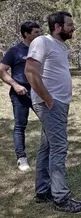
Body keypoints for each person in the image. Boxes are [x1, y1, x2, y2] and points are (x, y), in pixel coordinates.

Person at [25, 11, 81, 213]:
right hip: (50, 105)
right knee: (59, 147)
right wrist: (48, 99)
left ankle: (43, 190)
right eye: (70, 24)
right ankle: (61, 198)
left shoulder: (59, 46)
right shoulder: (42, 42)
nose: (73, 27)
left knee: (47, 147)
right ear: (58, 26)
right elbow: (30, 71)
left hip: (57, 104)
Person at [0, 21, 41, 171]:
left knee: (48, 121)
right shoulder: (15, 51)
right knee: (20, 125)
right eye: (36, 32)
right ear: (26, 34)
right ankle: (21, 158)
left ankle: (49, 152)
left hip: (39, 91)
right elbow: (2, 70)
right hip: (21, 93)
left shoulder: (41, 50)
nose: (39, 34)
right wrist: (16, 85)